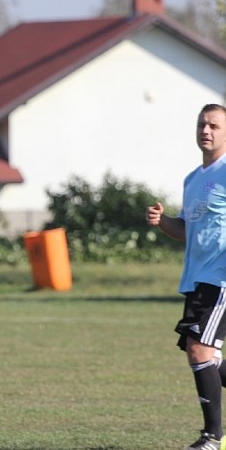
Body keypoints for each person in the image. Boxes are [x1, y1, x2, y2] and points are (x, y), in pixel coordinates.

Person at [146, 103, 226, 450]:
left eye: (214, 126)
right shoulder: (193, 179)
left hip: (222, 278)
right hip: (198, 279)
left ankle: (212, 437)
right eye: (201, 125)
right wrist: (162, 222)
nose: (206, 131)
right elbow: (185, 228)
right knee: (205, 357)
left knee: (199, 350)